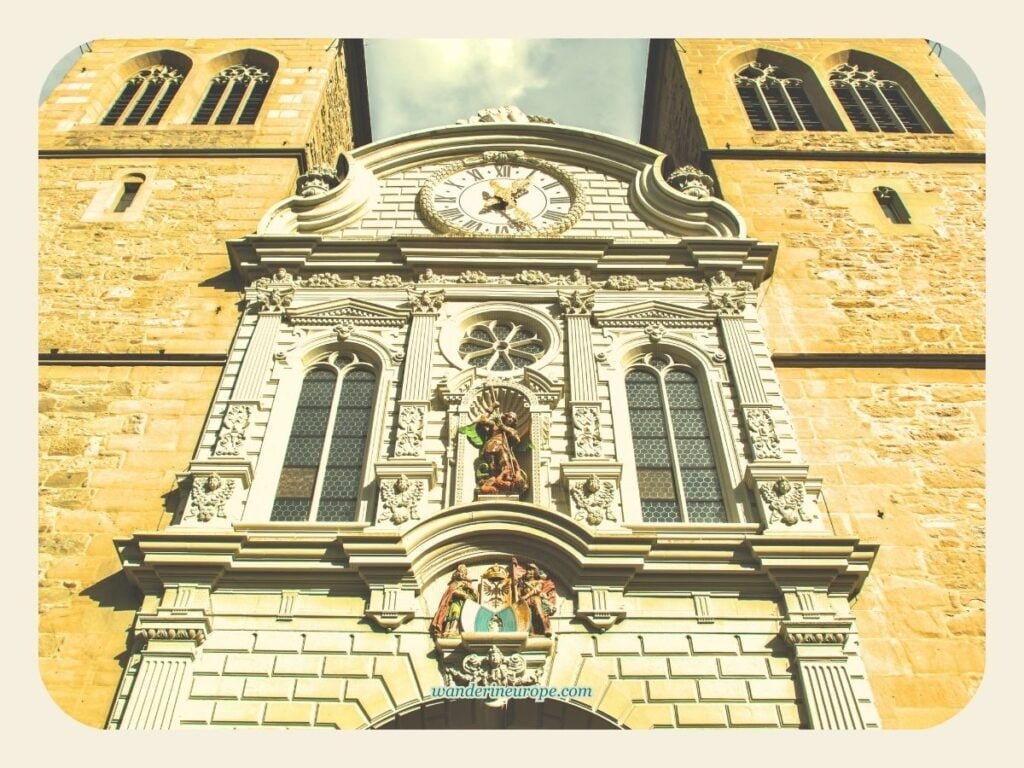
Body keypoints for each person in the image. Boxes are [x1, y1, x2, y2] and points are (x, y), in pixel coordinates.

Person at [471, 409, 528, 495]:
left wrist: (504, 428)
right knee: (492, 467)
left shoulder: (511, 430)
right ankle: (492, 482)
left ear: (514, 422)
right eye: (509, 417)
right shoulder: (495, 425)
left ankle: (503, 482)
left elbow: (516, 439)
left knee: (505, 465)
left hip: (503, 448)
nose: (510, 419)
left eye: (512, 419)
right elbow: (483, 420)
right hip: (492, 446)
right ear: (505, 417)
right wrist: (492, 408)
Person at [429, 564, 478, 637]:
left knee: (463, 616)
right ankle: (450, 629)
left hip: (464, 605)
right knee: (455, 612)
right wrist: (462, 594)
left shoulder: (468, 585)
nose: (462, 574)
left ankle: (457, 630)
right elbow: (452, 592)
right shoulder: (455, 583)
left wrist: (471, 589)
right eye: (461, 572)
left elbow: (474, 598)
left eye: (464, 572)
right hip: (455, 603)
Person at [518, 563, 557, 636]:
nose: (529, 572)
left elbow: (536, 590)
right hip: (526, 601)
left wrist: (526, 596)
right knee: (528, 615)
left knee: (539, 613)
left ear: (535, 572)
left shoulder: (539, 581)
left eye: (531, 570)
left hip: (536, 599)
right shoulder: (523, 583)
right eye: (528, 570)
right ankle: (531, 631)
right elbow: (519, 593)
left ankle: (546, 628)